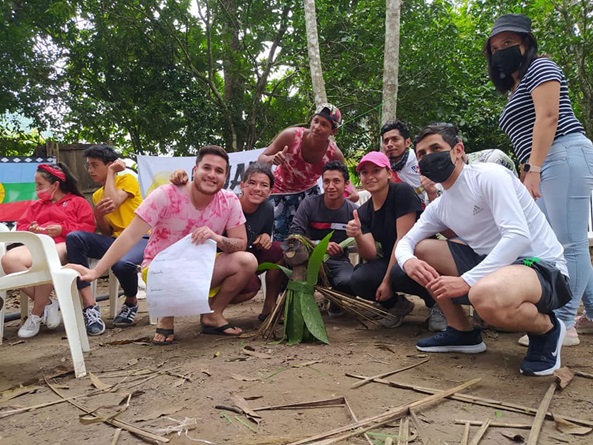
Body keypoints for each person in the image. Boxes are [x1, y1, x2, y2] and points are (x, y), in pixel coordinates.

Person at [395, 123, 571, 376]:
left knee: (484, 295)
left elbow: (518, 236)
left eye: (435, 148)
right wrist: (407, 261)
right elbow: (406, 242)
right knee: (422, 250)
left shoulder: (488, 176)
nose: (428, 157)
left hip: (541, 268)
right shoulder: (440, 206)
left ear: (458, 150)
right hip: (495, 267)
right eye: (421, 154)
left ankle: (547, 329)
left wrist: (467, 281)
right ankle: (462, 332)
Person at [67, 145, 258, 344]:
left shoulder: (229, 201)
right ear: (195, 170)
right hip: (161, 270)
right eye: (206, 168)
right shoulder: (166, 194)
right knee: (165, 269)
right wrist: (96, 271)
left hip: (201, 268)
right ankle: (166, 316)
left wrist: (216, 238)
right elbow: (130, 236)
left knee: (247, 261)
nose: (212, 175)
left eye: (219, 171)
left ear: (226, 177)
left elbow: (240, 243)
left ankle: (213, 315)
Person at [485, 14, 593, 346]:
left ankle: (562, 323)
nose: (501, 50)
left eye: (508, 43)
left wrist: (534, 168)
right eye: (495, 47)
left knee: (570, 244)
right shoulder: (515, 86)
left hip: (563, 153)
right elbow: (524, 136)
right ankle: (592, 312)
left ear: (526, 43)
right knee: (553, 243)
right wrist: (526, 173)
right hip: (542, 164)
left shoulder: (541, 67)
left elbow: (548, 117)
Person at [1, 163, 95, 338]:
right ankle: (48, 303)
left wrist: (63, 229)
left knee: (45, 259)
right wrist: (32, 229)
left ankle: (36, 313)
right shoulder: (36, 206)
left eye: (40, 185)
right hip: (37, 245)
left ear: (55, 185)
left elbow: (88, 229)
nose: (37, 189)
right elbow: (21, 227)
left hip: (65, 245)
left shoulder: (77, 202)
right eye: (36, 185)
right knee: (8, 260)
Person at [65, 145, 147, 336]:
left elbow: (113, 202)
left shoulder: (127, 179)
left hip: (141, 237)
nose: (90, 170)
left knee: (121, 264)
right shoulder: (97, 195)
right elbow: (107, 231)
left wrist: (111, 173)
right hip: (116, 240)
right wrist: (98, 215)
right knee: (75, 238)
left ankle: (131, 302)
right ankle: (90, 306)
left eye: (95, 165)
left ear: (110, 165)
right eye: (88, 166)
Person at [346, 151, 424, 327]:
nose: (370, 176)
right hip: (392, 259)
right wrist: (358, 235)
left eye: (376, 170)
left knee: (399, 272)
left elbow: (403, 240)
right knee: (360, 278)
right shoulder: (363, 211)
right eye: (365, 172)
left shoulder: (402, 192)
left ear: (389, 174)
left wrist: (387, 281)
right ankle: (396, 305)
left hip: (418, 255)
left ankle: (437, 305)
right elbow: (370, 254)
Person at [258, 103, 346, 242]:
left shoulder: (334, 154)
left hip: (309, 194)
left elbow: (345, 180)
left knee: (309, 238)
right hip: (280, 192)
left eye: (324, 125)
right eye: (316, 121)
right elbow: (261, 159)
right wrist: (272, 159)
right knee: (279, 240)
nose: (317, 127)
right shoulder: (290, 136)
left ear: (333, 131)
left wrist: (348, 195)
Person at [290, 161, 358, 302]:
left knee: (350, 282)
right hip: (308, 260)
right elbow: (293, 236)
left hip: (338, 262)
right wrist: (319, 245)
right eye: (326, 181)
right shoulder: (309, 204)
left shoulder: (353, 211)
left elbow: (365, 240)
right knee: (284, 265)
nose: (330, 186)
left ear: (346, 184)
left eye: (336, 181)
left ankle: (335, 303)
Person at [380, 120, 424, 200]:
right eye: (386, 141)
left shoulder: (420, 159)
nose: (389, 144)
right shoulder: (384, 168)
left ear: (407, 142)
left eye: (395, 139)